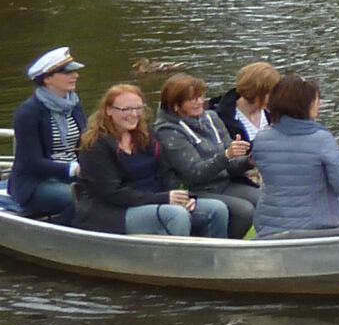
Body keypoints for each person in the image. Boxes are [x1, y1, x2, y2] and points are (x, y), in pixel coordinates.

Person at [73, 83, 231, 236]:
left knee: (217, 209)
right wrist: (165, 199)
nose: (134, 114)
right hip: (112, 211)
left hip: (154, 201)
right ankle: (176, 261)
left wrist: (184, 198)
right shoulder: (95, 145)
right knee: (175, 215)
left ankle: (213, 259)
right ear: (108, 110)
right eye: (126, 109)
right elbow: (111, 193)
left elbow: (164, 173)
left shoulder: (146, 135)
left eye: (138, 108)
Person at [247, 76, 339, 236]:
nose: (320, 103)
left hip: (270, 221)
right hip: (319, 221)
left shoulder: (261, 138)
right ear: (306, 105)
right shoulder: (322, 139)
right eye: (317, 99)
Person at [153, 74, 259, 233]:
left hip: (223, 183)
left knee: (263, 200)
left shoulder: (212, 118)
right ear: (176, 105)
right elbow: (194, 173)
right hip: (195, 190)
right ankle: (220, 249)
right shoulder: (168, 131)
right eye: (192, 99)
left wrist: (248, 161)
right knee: (244, 211)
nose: (200, 102)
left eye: (200, 96)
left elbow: (231, 166)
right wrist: (226, 155)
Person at [8, 47, 84, 223]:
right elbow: (31, 162)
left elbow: (84, 142)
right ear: (48, 79)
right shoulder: (28, 112)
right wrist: (72, 169)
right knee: (74, 199)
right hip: (36, 182)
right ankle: (63, 240)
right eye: (68, 72)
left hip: (71, 174)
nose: (76, 76)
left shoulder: (74, 105)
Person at [213, 61, 281, 143]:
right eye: (269, 93)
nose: (274, 98)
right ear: (255, 92)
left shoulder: (275, 114)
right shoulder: (222, 119)